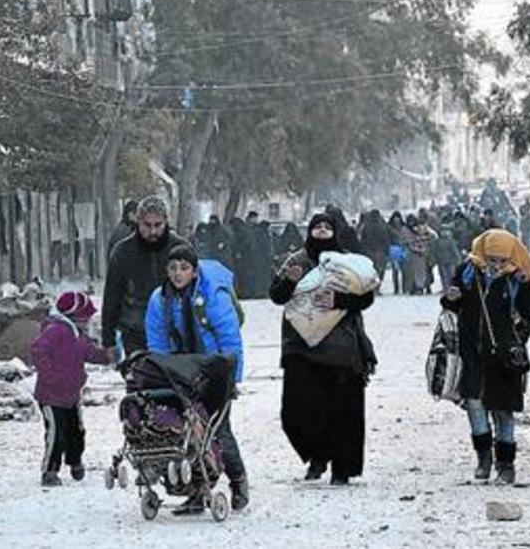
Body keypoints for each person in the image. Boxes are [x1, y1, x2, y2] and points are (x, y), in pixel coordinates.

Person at [271, 213, 377, 485]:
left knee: (343, 411)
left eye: (327, 227)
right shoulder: (296, 261)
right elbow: (276, 295)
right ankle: (317, 455)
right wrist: (290, 281)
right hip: (301, 348)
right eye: (317, 227)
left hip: (341, 348)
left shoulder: (348, 262)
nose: (321, 231)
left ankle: (342, 468)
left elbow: (366, 297)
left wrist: (339, 299)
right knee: (297, 412)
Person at [145, 244, 249, 512]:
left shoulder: (212, 295)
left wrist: (232, 379)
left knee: (216, 431)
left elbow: (229, 337)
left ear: (194, 271)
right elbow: (158, 343)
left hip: (214, 370)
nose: (178, 274)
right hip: (180, 371)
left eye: (184, 268)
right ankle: (197, 490)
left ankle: (238, 480)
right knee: (184, 434)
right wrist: (161, 375)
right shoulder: (160, 300)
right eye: (172, 268)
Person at [440, 229, 530, 485]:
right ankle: (483, 458)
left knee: (503, 410)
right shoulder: (468, 272)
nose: (495, 265)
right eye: (491, 259)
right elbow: (452, 303)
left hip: (505, 356)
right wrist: (451, 298)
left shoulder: (516, 278)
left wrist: (527, 285)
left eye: (501, 260)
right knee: (474, 404)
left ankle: (506, 465)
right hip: (472, 350)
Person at [31, 291, 112, 487]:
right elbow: (38, 350)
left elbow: (89, 353)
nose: (87, 322)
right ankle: (50, 470)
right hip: (51, 395)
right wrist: (50, 376)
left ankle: (75, 461)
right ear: (73, 315)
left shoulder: (77, 335)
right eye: (85, 317)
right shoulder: (56, 330)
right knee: (55, 433)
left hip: (71, 394)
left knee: (76, 431)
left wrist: (107, 356)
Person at [102, 196, 188, 357]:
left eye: (158, 225)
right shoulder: (123, 252)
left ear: (166, 222)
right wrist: (109, 340)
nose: (153, 231)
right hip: (135, 332)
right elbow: (112, 296)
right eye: (147, 225)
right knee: (141, 379)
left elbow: (196, 289)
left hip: (173, 331)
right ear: (138, 222)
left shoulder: (180, 248)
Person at [431, 223, 461, 293]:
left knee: (452, 275)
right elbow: (435, 251)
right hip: (441, 261)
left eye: (446, 231)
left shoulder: (451, 241)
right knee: (444, 276)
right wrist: (435, 259)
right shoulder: (437, 241)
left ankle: (452, 288)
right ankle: (446, 288)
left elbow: (455, 251)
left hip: (451, 261)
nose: (444, 233)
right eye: (442, 231)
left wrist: (458, 260)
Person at [387, 212, 407, 295]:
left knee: (399, 271)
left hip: (396, 250)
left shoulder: (389, 228)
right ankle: (401, 288)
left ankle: (398, 288)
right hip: (398, 250)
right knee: (401, 270)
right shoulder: (403, 227)